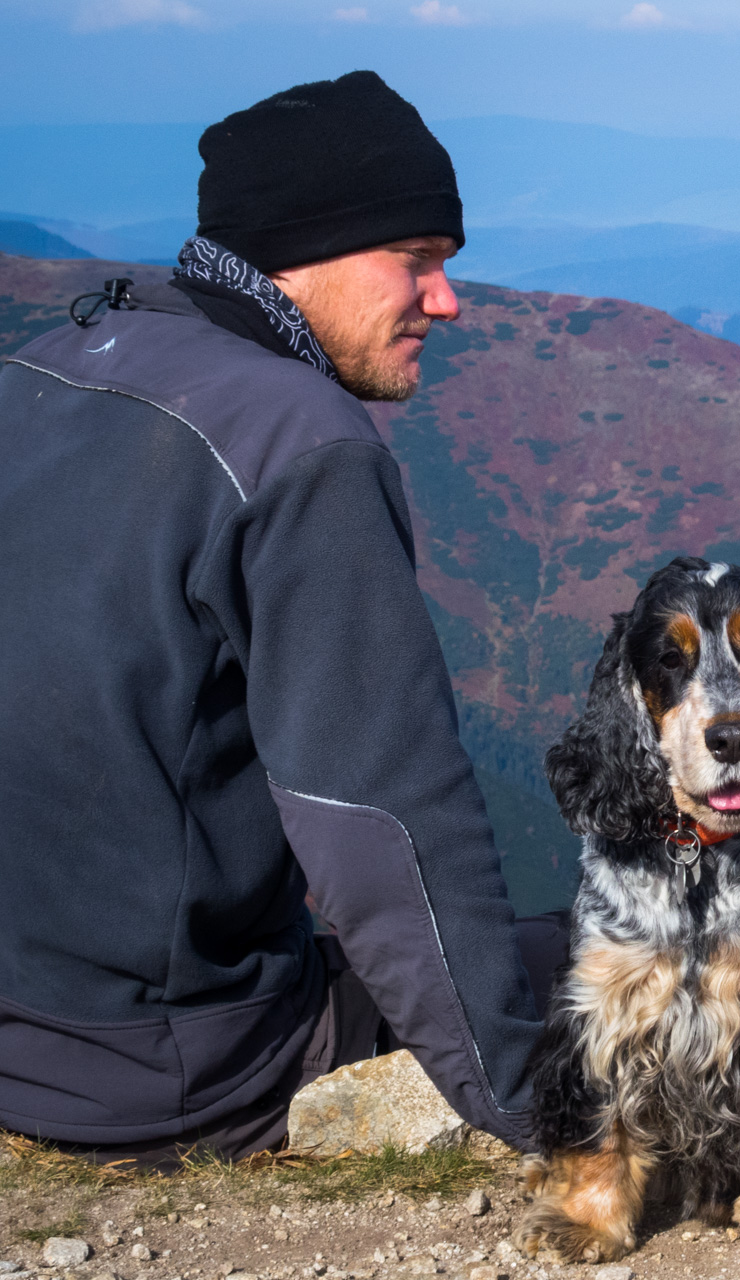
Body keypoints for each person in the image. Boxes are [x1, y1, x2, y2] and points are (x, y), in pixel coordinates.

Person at [0, 71, 559, 1164]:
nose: (447, 300)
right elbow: (388, 820)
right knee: (646, 955)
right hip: (162, 1074)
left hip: (28, 1024)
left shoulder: (41, 366)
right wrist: (531, 1103)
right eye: (418, 259)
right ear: (305, 253)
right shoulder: (300, 442)